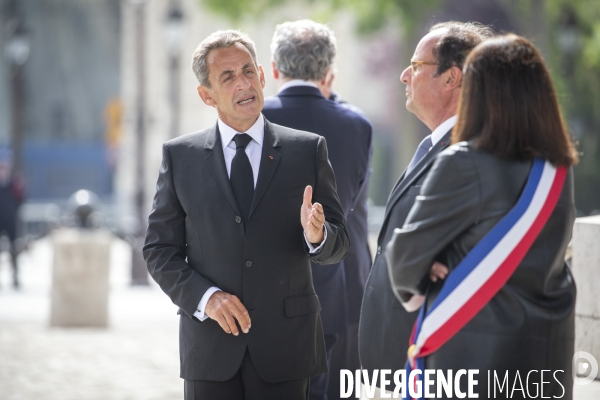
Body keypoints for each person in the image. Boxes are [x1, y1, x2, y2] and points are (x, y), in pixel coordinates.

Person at [143, 30, 350, 400]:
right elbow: (159, 250)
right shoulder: (180, 158)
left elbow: (339, 243)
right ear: (207, 95)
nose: (243, 84)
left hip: (287, 350)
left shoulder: (307, 150)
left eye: (247, 71)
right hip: (210, 352)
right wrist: (206, 298)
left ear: (262, 75)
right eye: (228, 77)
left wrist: (317, 236)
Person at [386, 34, 578, 399]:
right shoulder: (557, 171)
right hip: (545, 362)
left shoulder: (464, 162)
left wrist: (428, 269)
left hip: (472, 360)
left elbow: (403, 260)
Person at [357, 21, 493, 396]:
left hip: (426, 365)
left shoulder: (465, 154)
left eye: (415, 65)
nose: (404, 74)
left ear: (451, 78)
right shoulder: (437, 145)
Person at [262, 20, 372, 400]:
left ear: (274, 69)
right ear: (328, 73)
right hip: (337, 292)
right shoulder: (356, 125)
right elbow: (351, 204)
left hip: (260, 294)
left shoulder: (249, 118)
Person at [0, 157, 25, 289]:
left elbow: (21, 198)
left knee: (14, 248)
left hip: (11, 219)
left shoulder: (14, 184)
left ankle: (15, 276)